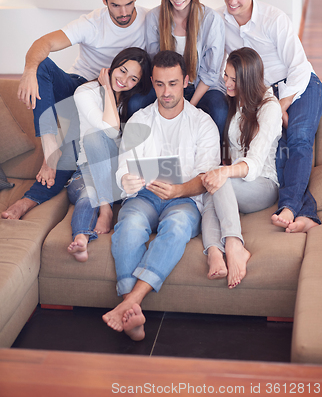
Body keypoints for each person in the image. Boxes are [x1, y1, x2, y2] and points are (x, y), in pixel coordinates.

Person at [2, 0, 148, 221]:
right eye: (116, 5)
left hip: (122, 93)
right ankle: (50, 150)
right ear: (104, 1)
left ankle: (30, 198)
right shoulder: (91, 23)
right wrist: (29, 70)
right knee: (42, 66)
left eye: (129, 4)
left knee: (78, 138)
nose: (124, 13)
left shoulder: (150, 20)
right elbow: (44, 44)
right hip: (82, 86)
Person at [102, 50, 220, 341]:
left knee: (178, 226)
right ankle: (132, 313)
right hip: (144, 196)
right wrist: (126, 180)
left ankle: (130, 303)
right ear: (152, 83)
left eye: (173, 84)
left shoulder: (203, 123)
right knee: (128, 225)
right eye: (159, 84)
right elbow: (121, 171)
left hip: (184, 199)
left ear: (186, 81)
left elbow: (207, 179)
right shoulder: (139, 120)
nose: (166, 92)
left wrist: (179, 189)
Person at [216, 0, 322, 233]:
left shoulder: (274, 19)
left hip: (298, 84)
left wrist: (279, 106)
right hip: (262, 92)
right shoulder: (220, 19)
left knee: (297, 139)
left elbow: (298, 67)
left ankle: (290, 208)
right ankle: (306, 214)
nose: (232, 1)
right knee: (277, 151)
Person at [201, 48, 282, 288]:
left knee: (219, 180)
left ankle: (234, 244)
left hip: (263, 184)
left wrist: (224, 171)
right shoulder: (236, 101)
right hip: (236, 183)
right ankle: (214, 252)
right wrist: (220, 172)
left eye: (234, 79)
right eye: (226, 76)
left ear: (248, 80)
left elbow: (255, 164)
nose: (226, 83)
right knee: (210, 187)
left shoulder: (269, 107)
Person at [67, 48, 151, 262]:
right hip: (87, 170)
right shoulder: (85, 92)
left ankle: (107, 208)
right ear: (113, 65)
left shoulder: (132, 101)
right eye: (122, 71)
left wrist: (109, 90)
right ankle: (81, 239)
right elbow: (110, 130)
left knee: (95, 137)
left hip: (119, 174)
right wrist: (105, 89)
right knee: (89, 194)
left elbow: (114, 134)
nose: (124, 80)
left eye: (133, 79)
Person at [135, 0, 227, 139]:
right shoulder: (154, 17)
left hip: (202, 86)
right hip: (167, 85)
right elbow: (155, 62)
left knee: (219, 109)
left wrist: (188, 107)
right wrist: (167, 92)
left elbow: (211, 72)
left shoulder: (211, 20)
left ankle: (217, 161)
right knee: (135, 103)